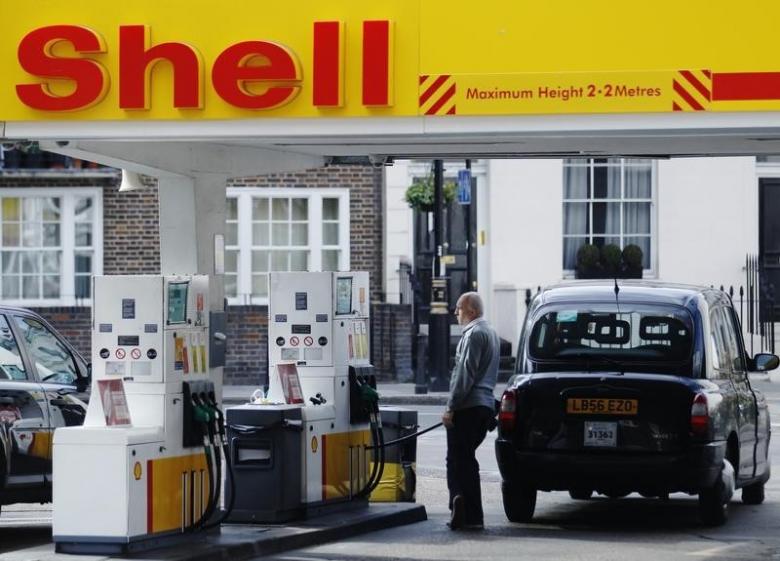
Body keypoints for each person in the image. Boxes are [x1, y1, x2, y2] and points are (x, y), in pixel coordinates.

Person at [443, 291, 499, 531]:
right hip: (484, 406)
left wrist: (451, 407)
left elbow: (465, 373)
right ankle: (472, 514)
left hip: (468, 406)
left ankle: (459, 501)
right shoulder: (492, 333)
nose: (455, 312)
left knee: (455, 459)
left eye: (459, 308)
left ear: (472, 311)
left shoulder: (473, 334)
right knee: (466, 459)